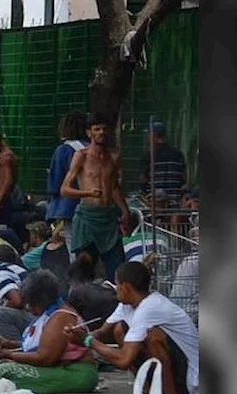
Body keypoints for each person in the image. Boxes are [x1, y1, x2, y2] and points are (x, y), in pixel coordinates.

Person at [68, 261, 199, 394]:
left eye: (117, 285)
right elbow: (102, 332)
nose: (116, 289)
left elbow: (124, 360)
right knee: (120, 329)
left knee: (153, 337)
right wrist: (79, 334)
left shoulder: (149, 308)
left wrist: (88, 341)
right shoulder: (127, 305)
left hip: (189, 382)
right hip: (175, 372)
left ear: (126, 287)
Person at [0, 270, 98, 394]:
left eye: (31, 304)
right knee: (3, 370)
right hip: (63, 369)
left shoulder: (60, 317)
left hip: (76, 373)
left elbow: (45, 358)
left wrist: (8, 354)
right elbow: (43, 346)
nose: (29, 309)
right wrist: (10, 344)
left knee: (6, 371)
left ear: (41, 301)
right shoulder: (50, 314)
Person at [62, 114, 133, 279]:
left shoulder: (114, 157)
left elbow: (114, 186)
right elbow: (65, 189)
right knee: (83, 269)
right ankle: (78, 300)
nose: (101, 132)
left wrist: (125, 211)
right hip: (87, 217)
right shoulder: (81, 156)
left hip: (108, 218)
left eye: (104, 129)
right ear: (89, 133)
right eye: (96, 129)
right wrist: (87, 193)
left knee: (117, 269)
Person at [45, 111, 88, 245]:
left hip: (71, 207)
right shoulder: (92, 149)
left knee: (75, 245)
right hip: (95, 205)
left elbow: (55, 185)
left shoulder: (64, 150)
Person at [0, 244, 35, 343]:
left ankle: (18, 351)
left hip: (39, 318)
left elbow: (18, 302)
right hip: (41, 316)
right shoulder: (12, 269)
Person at [140, 121, 187, 209]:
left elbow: (143, 179)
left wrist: (143, 192)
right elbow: (184, 179)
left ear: (154, 135)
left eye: (148, 134)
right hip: (175, 203)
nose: (147, 138)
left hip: (154, 204)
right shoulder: (178, 154)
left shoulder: (149, 155)